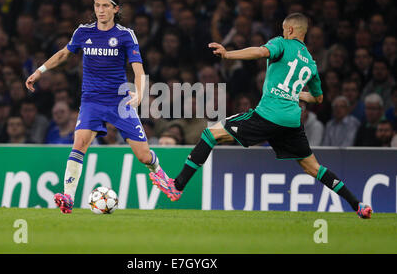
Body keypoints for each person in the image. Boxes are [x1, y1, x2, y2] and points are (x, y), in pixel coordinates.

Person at [150, 13, 372, 219]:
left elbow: (260, 51)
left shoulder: (282, 44)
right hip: (292, 123)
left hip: (268, 116)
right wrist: (293, 93)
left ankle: (177, 186)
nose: (283, 32)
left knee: (210, 134)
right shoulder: (311, 63)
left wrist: (228, 54)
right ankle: (358, 205)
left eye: (285, 29)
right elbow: (319, 98)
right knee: (314, 168)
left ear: (292, 30)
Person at [25, 0, 165, 214]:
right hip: (91, 100)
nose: (100, 10)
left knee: (143, 156)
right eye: (97, 5)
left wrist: (139, 94)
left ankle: (159, 173)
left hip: (119, 102)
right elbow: (63, 54)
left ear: (115, 9)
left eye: (106, 6)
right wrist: (40, 70)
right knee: (79, 143)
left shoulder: (125, 35)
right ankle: (68, 197)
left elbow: (138, 70)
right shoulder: (82, 32)